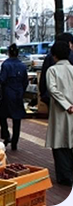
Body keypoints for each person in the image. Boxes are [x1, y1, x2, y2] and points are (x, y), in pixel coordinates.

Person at [45, 41, 73, 186]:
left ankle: (64, 176)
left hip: (61, 111)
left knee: (60, 143)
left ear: (54, 55)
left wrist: (66, 105)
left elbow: (52, 89)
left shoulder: (52, 70)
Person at [0, 44, 28, 150]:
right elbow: (25, 81)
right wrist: (21, 91)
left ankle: (6, 135)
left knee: (2, 116)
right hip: (18, 94)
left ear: (9, 53)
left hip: (7, 94)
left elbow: (2, 79)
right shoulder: (22, 65)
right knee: (17, 119)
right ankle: (15, 142)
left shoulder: (6, 64)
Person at [39, 33, 73, 106]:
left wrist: (44, 95)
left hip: (53, 99)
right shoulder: (71, 59)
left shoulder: (50, 61)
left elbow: (44, 81)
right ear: (69, 44)